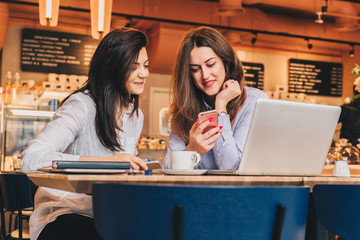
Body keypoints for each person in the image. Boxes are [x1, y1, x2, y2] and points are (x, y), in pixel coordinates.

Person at [21, 28, 149, 240]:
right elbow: (31, 158)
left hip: (106, 215)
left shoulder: (135, 116)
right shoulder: (82, 105)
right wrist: (106, 163)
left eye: (145, 65)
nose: (144, 73)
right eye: (133, 66)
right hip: (63, 213)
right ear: (112, 66)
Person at [164, 26, 268, 170]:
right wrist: (192, 150)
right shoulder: (183, 112)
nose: (205, 75)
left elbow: (231, 167)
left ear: (226, 62)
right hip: (194, 192)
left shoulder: (254, 102)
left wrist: (220, 107)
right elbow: (169, 168)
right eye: (195, 69)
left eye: (210, 64)